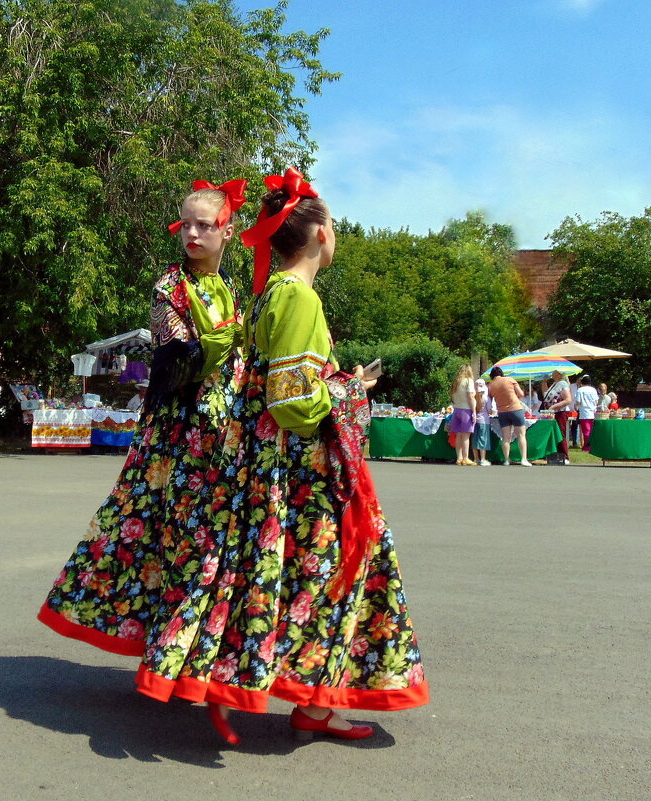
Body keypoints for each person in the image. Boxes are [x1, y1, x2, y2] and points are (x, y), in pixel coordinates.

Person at [125, 168, 428, 745]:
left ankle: (300, 698)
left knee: (291, 580)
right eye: (333, 224)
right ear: (317, 234)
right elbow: (290, 401)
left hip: (272, 466)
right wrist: (349, 390)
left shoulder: (272, 294)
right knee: (333, 576)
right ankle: (312, 706)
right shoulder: (299, 297)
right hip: (303, 472)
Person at [39, 179, 250, 668]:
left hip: (224, 430)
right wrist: (232, 337)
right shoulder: (168, 286)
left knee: (214, 540)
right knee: (165, 534)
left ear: (228, 231)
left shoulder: (232, 290)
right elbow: (176, 362)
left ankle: (197, 651)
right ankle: (166, 648)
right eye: (187, 224)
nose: (193, 234)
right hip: (178, 432)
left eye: (205, 225)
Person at [489, 366, 532, 466]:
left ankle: (507, 460)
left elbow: (490, 400)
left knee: (506, 438)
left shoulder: (491, 386)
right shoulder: (510, 380)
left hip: (502, 412)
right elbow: (521, 394)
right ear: (501, 374)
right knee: (521, 435)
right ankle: (524, 459)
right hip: (515, 409)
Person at [541, 369, 573, 465]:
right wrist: (544, 381)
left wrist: (553, 407)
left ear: (559, 374)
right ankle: (555, 454)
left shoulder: (563, 384)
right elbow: (545, 394)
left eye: (554, 372)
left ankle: (564, 456)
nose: (552, 373)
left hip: (560, 412)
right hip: (552, 412)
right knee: (554, 434)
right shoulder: (555, 384)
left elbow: (568, 400)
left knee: (560, 433)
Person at [449, 364, 476, 465]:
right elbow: (470, 397)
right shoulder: (469, 381)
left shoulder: (456, 381)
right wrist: (474, 411)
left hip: (457, 409)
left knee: (458, 435)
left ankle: (459, 458)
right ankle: (466, 457)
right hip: (466, 409)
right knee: (466, 436)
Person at [574, 375, 600, 452]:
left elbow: (578, 401)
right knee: (591, 430)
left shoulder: (580, 390)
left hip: (584, 412)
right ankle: (592, 445)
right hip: (593, 412)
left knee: (586, 431)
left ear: (582, 382)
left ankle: (587, 447)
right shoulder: (593, 390)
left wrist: (576, 407)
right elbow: (596, 401)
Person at [472, 376, 493, 466]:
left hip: (474, 421)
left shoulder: (473, 397)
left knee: (475, 440)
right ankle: (483, 459)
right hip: (484, 420)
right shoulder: (487, 398)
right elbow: (489, 411)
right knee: (483, 440)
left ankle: (476, 459)